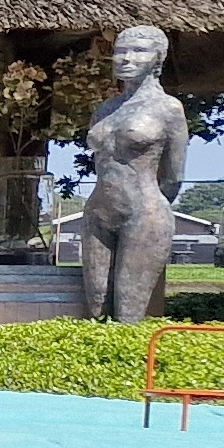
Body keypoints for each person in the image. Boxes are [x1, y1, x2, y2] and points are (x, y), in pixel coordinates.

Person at [79, 23, 188, 322]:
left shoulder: (168, 109)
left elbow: (174, 176)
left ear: (158, 58)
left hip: (143, 212)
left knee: (128, 311)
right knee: (96, 308)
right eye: (121, 51)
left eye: (139, 51)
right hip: (98, 212)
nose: (127, 58)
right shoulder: (105, 109)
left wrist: (148, 207)